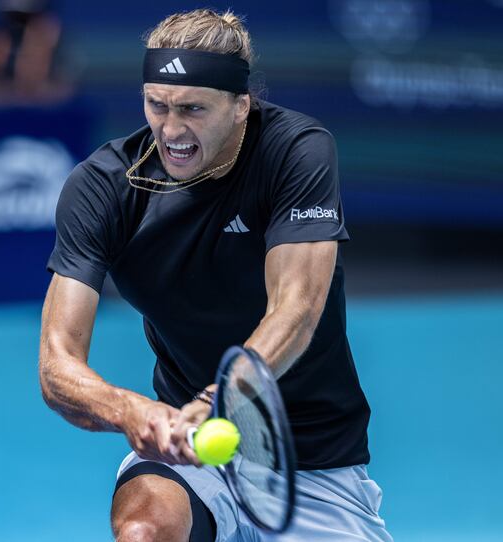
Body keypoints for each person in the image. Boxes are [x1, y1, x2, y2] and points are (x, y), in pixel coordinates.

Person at [39, 9, 392, 542]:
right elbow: (57, 363)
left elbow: (296, 308)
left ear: (240, 105)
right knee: (145, 530)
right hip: (188, 453)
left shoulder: (295, 151)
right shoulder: (102, 187)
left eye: (193, 109)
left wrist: (217, 400)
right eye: (157, 105)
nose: (171, 130)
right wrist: (132, 411)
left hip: (312, 458)